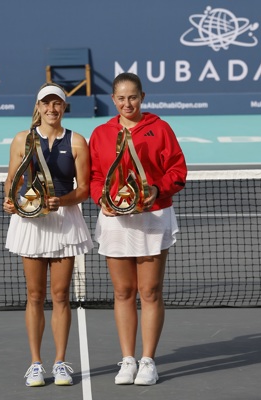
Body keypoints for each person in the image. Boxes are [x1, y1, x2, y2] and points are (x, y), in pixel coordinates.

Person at [88, 72, 187, 386]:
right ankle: (127, 359)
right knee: (123, 292)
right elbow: (93, 176)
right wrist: (100, 199)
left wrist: (156, 190)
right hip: (115, 220)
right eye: (121, 98)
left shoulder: (160, 129)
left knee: (150, 291)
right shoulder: (101, 133)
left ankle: (148, 361)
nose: (127, 103)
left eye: (133, 97)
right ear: (113, 100)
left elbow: (178, 170)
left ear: (142, 97)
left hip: (152, 218)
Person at [3, 82, 93, 387]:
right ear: (38, 107)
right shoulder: (21, 140)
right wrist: (11, 200)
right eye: (46, 104)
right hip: (31, 223)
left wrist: (62, 201)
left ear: (64, 108)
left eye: (58, 104)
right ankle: (36, 364)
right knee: (34, 295)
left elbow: (84, 189)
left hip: (65, 222)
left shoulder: (78, 142)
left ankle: (61, 362)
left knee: (61, 296)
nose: (52, 109)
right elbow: (11, 179)